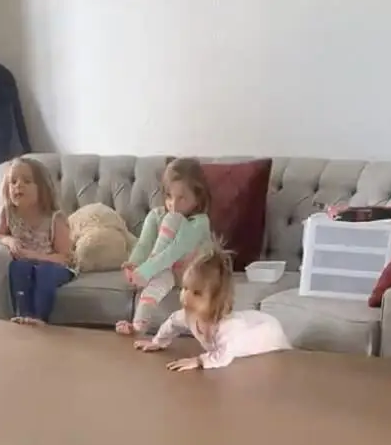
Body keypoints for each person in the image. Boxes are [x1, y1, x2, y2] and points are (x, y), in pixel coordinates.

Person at [135, 245, 290, 370]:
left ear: (216, 299)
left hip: (269, 335)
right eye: (185, 288)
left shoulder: (227, 327)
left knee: (277, 365)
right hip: (251, 324)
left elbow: (223, 357)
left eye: (197, 293)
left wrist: (199, 360)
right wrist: (158, 342)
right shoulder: (187, 316)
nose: (186, 296)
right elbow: (172, 324)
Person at [115, 158, 213, 336]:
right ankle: (138, 326)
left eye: (182, 198)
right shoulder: (156, 215)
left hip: (193, 272)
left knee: (172, 219)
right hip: (166, 270)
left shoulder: (200, 223)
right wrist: (134, 264)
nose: (173, 205)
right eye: (169, 196)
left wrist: (145, 271)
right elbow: (144, 243)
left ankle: (150, 273)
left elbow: (174, 250)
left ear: (198, 198)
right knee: (155, 285)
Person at [0, 156, 73, 324]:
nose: (18, 186)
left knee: (44, 272)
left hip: (54, 266)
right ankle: (23, 315)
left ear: (42, 188)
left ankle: (39, 318)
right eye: (13, 182)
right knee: (18, 267)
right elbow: (0, 235)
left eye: (27, 181)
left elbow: (66, 257)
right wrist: (10, 241)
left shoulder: (54, 218)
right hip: (26, 263)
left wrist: (32, 255)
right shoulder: (8, 213)